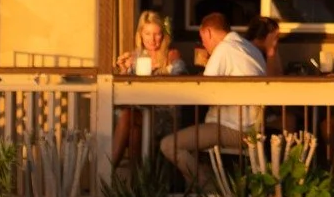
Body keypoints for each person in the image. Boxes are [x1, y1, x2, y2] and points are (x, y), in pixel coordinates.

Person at [158, 13, 266, 182]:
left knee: (169, 144)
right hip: (253, 127)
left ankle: (204, 184)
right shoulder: (250, 48)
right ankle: (201, 185)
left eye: (203, 39)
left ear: (208, 32)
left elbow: (202, 92)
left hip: (233, 128)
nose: (204, 45)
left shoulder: (224, 48)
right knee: (189, 138)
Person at [113, 10, 189, 165]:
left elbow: (180, 76)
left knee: (129, 116)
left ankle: (106, 172)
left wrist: (164, 71)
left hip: (163, 115)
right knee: (134, 131)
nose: (152, 39)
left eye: (157, 34)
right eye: (147, 34)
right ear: (140, 34)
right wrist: (123, 71)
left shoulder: (171, 55)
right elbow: (126, 90)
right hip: (140, 112)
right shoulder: (135, 57)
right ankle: (139, 185)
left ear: (163, 35)